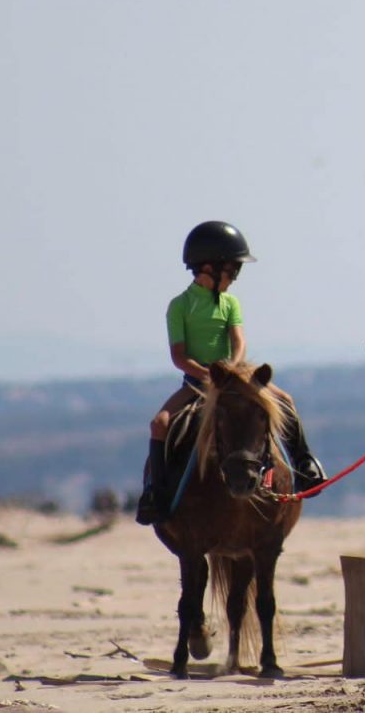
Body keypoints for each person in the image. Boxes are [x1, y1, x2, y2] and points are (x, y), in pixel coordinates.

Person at [135, 221, 327, 525]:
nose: (236, 277)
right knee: (159, 423)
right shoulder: (180, 306)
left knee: (285, 400)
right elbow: (179, 357)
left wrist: (234, 372)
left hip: (234, 379)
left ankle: (305, 466)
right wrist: (209, 376)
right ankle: (154, 493)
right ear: (209, 267)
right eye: (233, 269)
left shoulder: (230, 303)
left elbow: (239, 341)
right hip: (197, 382)